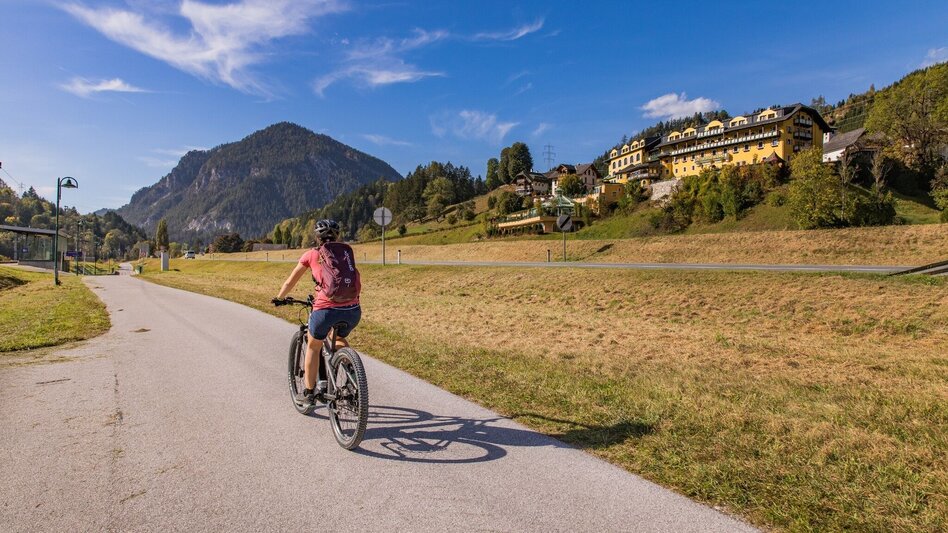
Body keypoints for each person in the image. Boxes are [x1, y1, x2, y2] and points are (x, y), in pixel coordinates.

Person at [274, 219, 361, 408]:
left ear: (317, 237)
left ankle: (309, 393)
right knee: (337, 337)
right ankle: (355, 380)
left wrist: (280, 297)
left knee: (314, 346)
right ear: (336, 236)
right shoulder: (346, 253)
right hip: (352, 310)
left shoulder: (311, 255)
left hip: (325, 309)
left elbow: (290, 281)